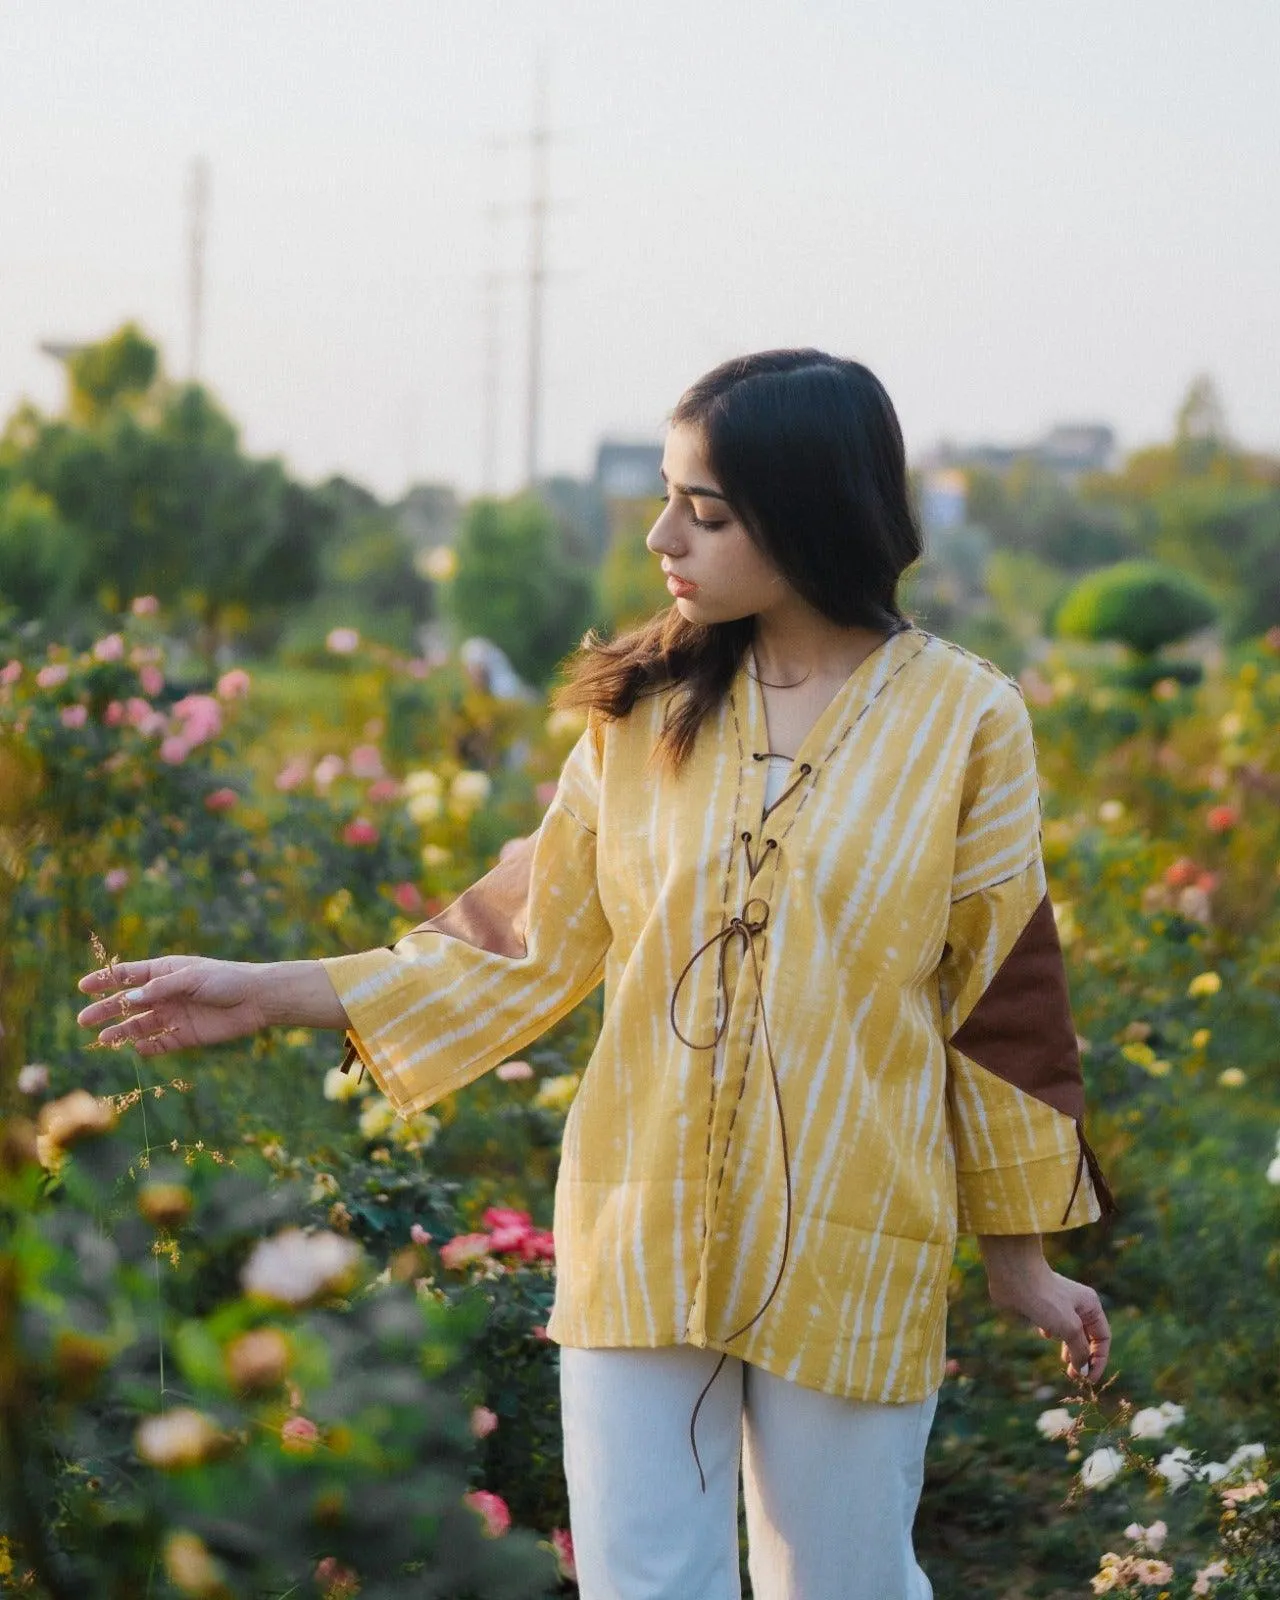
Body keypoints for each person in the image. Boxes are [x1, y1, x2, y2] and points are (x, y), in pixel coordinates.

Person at [79, 349, 1114, 1600]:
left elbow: (997, 996)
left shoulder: (964, 720)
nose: (658, 532)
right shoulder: (645, 708)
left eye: (705, 510)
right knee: (641, 1583)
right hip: (639, 1217)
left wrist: (1017, 1259)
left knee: (839, 1582)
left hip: (855, 1225)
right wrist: (271, 988)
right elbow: (526, 932)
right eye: (668, 495)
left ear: (812, 511)